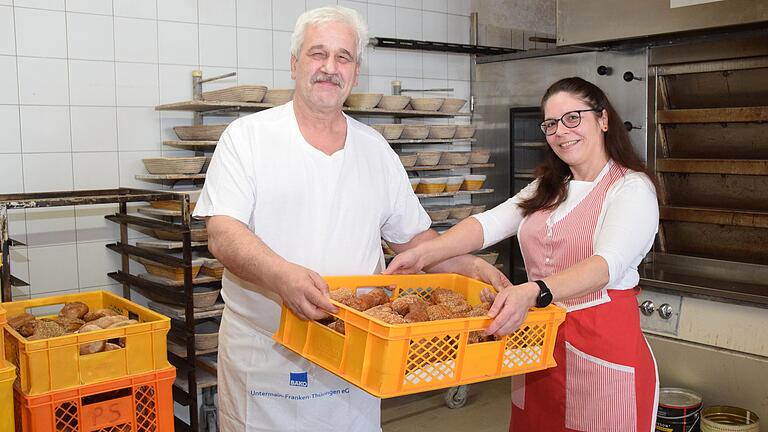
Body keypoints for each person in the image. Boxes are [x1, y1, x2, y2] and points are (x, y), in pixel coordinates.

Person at [191, 6, 452, 431]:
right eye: (318, 54)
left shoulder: (375, 150)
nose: (330, 68)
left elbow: (415, 241)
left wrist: (470, 265)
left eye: (343, 57)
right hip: (266, 352)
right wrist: (281, 277)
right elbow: (222, 233)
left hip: (352, 351)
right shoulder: (248, 138)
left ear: (355, 72)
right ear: (294, 64)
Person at [386, 77, 660, 431]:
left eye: (573, 118)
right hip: (536, 341)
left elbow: (607, 264)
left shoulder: (631, 188)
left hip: (600, 344)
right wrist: (424, 254)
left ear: (603, 119)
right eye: (551, 124)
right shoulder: (549, 187)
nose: (562, 132)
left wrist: (533, 291)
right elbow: (488, 224)